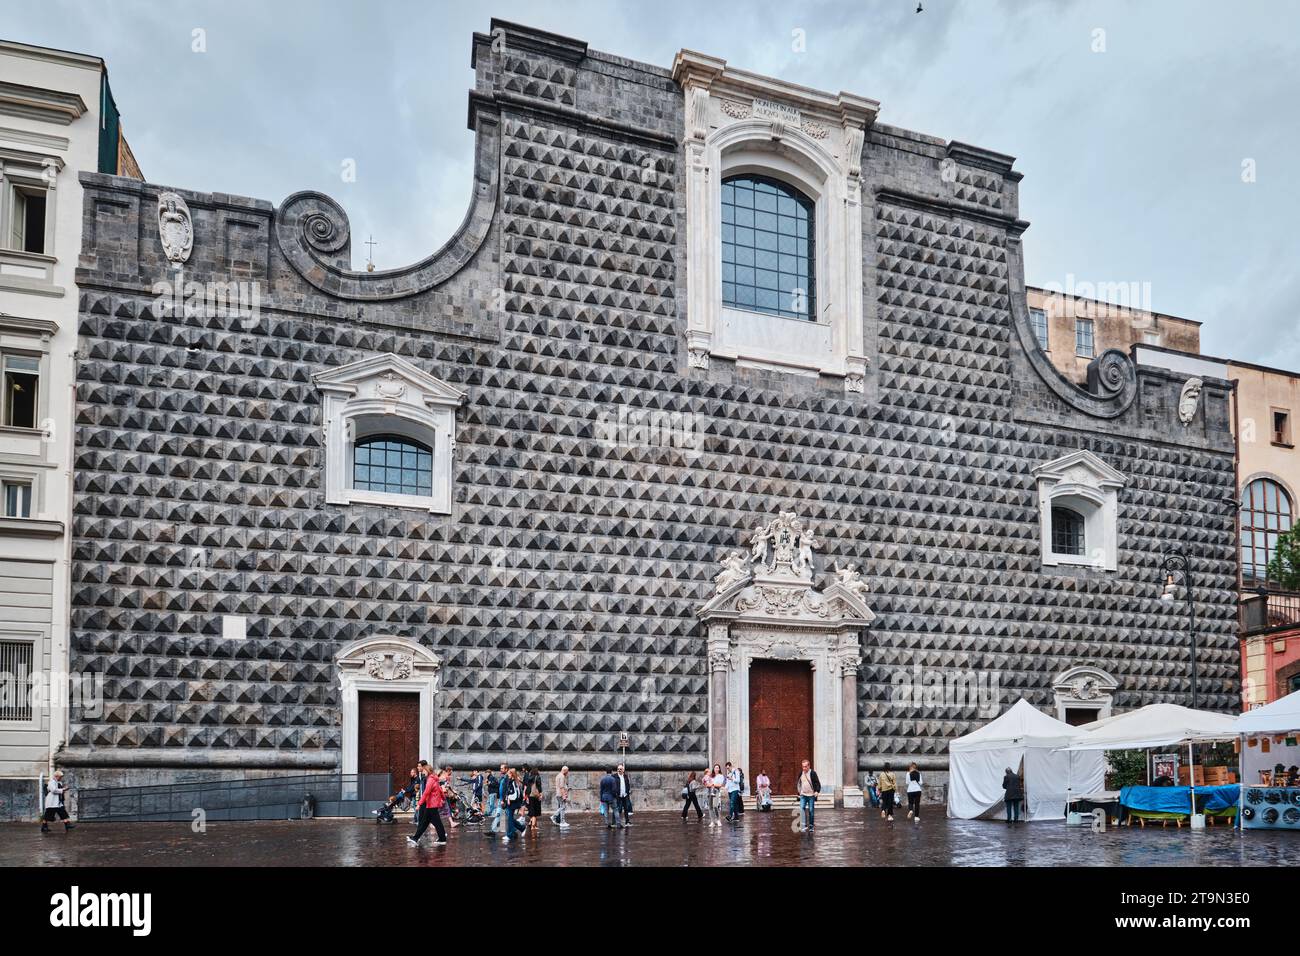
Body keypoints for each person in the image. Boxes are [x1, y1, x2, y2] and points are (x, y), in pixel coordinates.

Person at [408, 760, 448, 847]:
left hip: (431, 804)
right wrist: (443, 799)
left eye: (424, 771)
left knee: (427, 822)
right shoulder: (434, 779)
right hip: (432, 804)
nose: (423, 772)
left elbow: (426, 792)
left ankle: (416, 838)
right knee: (433, 822)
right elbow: (440, 790)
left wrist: (419, 804)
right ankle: (442, 838)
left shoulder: (430, 780)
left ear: (428, 771)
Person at [796, 759, 820, 832]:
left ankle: (811, 826)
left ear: (809, 766)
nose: (804, 768)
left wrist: (817, 791)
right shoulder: (801, 773)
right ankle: (803, 826)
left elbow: (817, 783)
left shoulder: (813, 773)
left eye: (806, 766)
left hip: (811, 796)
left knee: (811, 811)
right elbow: (799, 783)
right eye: (803, 767)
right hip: (803, 795)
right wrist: (799, 792)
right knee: (802, 809)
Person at [527, 768, 543, 832]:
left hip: (530, 795)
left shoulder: (529, 778)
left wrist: (527, 795)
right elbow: (539, 786)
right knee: (535, 811)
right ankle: (533, 826)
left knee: (532, 809)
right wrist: (541, 793)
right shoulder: (537, 777)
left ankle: (533, 824)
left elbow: (528, 787)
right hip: (535, 795)